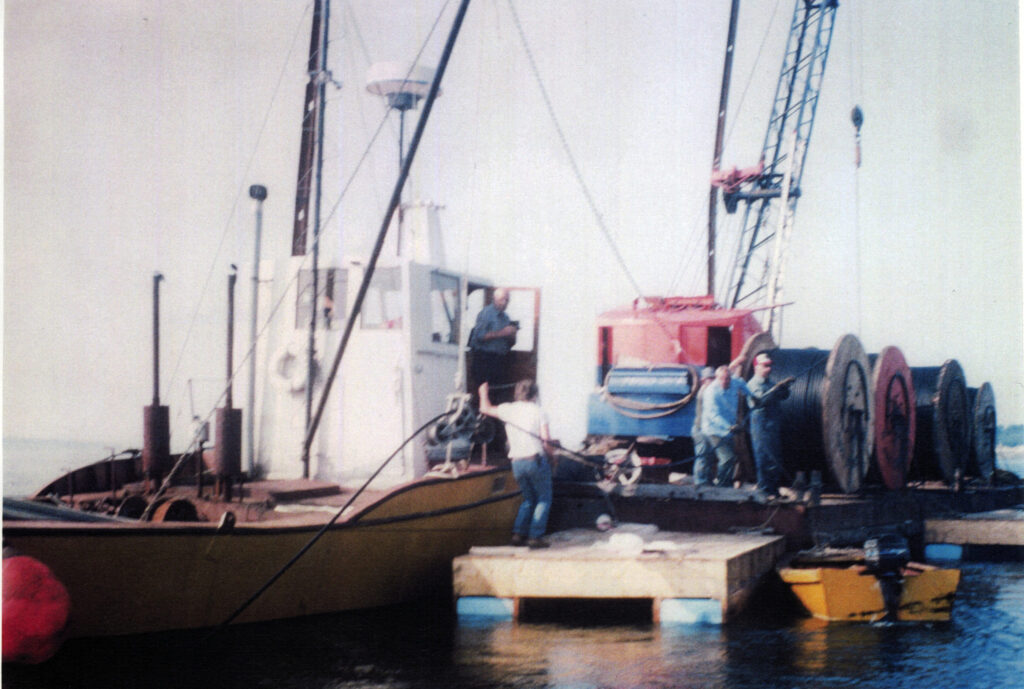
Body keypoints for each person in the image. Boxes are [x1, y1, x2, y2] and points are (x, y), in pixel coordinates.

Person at [478, 379, 554, 548]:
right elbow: (546, 441)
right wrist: (552, 457)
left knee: (528, 499)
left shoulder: (508, 409)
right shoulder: (539, 412)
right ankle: (535, 537)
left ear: (517, 394)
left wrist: (483, 393)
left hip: (517, 463)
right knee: (544, 499)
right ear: (535, 394)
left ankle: (518, 535)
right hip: (534, 460)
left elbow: (485, 408)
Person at [695, 359, 752, 487]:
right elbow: (714, 415)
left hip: (727, 432)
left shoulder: (734, 382)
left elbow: (742, 384)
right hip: (713, 430)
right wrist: (730, 427)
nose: (725, 382)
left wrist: (752, 396)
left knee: (729, 458)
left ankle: (724, 484)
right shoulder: (711, 392)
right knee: (727, 458)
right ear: (717, 378)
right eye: (722, 379)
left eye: (727, 379)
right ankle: (722, 486)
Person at [746, 353, 795, 499]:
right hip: (761, 424)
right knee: (764, 457)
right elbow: (760, 401)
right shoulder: (752, 384)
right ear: (757, 367)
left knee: (775, 458)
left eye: (769, 366)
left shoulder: (770, 383)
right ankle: (764, 491)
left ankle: (773, 490)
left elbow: (783, 396)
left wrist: (785, 388)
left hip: (772, 424)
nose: (769, 369)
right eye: (765, 366)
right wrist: (776, 389)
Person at [469, 288, 519, 388]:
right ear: (494, 299)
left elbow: (507, 342)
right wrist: (503, 332)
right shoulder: (486, 313)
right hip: (484, 360)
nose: (505, 303)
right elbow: (479, 336)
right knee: (485, 393)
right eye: (502, 299)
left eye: (507, 300)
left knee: (498, 392)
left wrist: (512, 335)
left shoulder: (506, 317)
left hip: (499, 360)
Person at [691, 366, 716, 485]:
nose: (712, 381)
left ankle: (707, 481)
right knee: (702, 458)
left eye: (713, 378)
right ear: (703, 380)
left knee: (708, 458)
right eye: (709, 379)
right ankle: (700, 482)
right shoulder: (705, 392)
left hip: (706, 430)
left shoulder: (707, 391)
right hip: (701, 430)